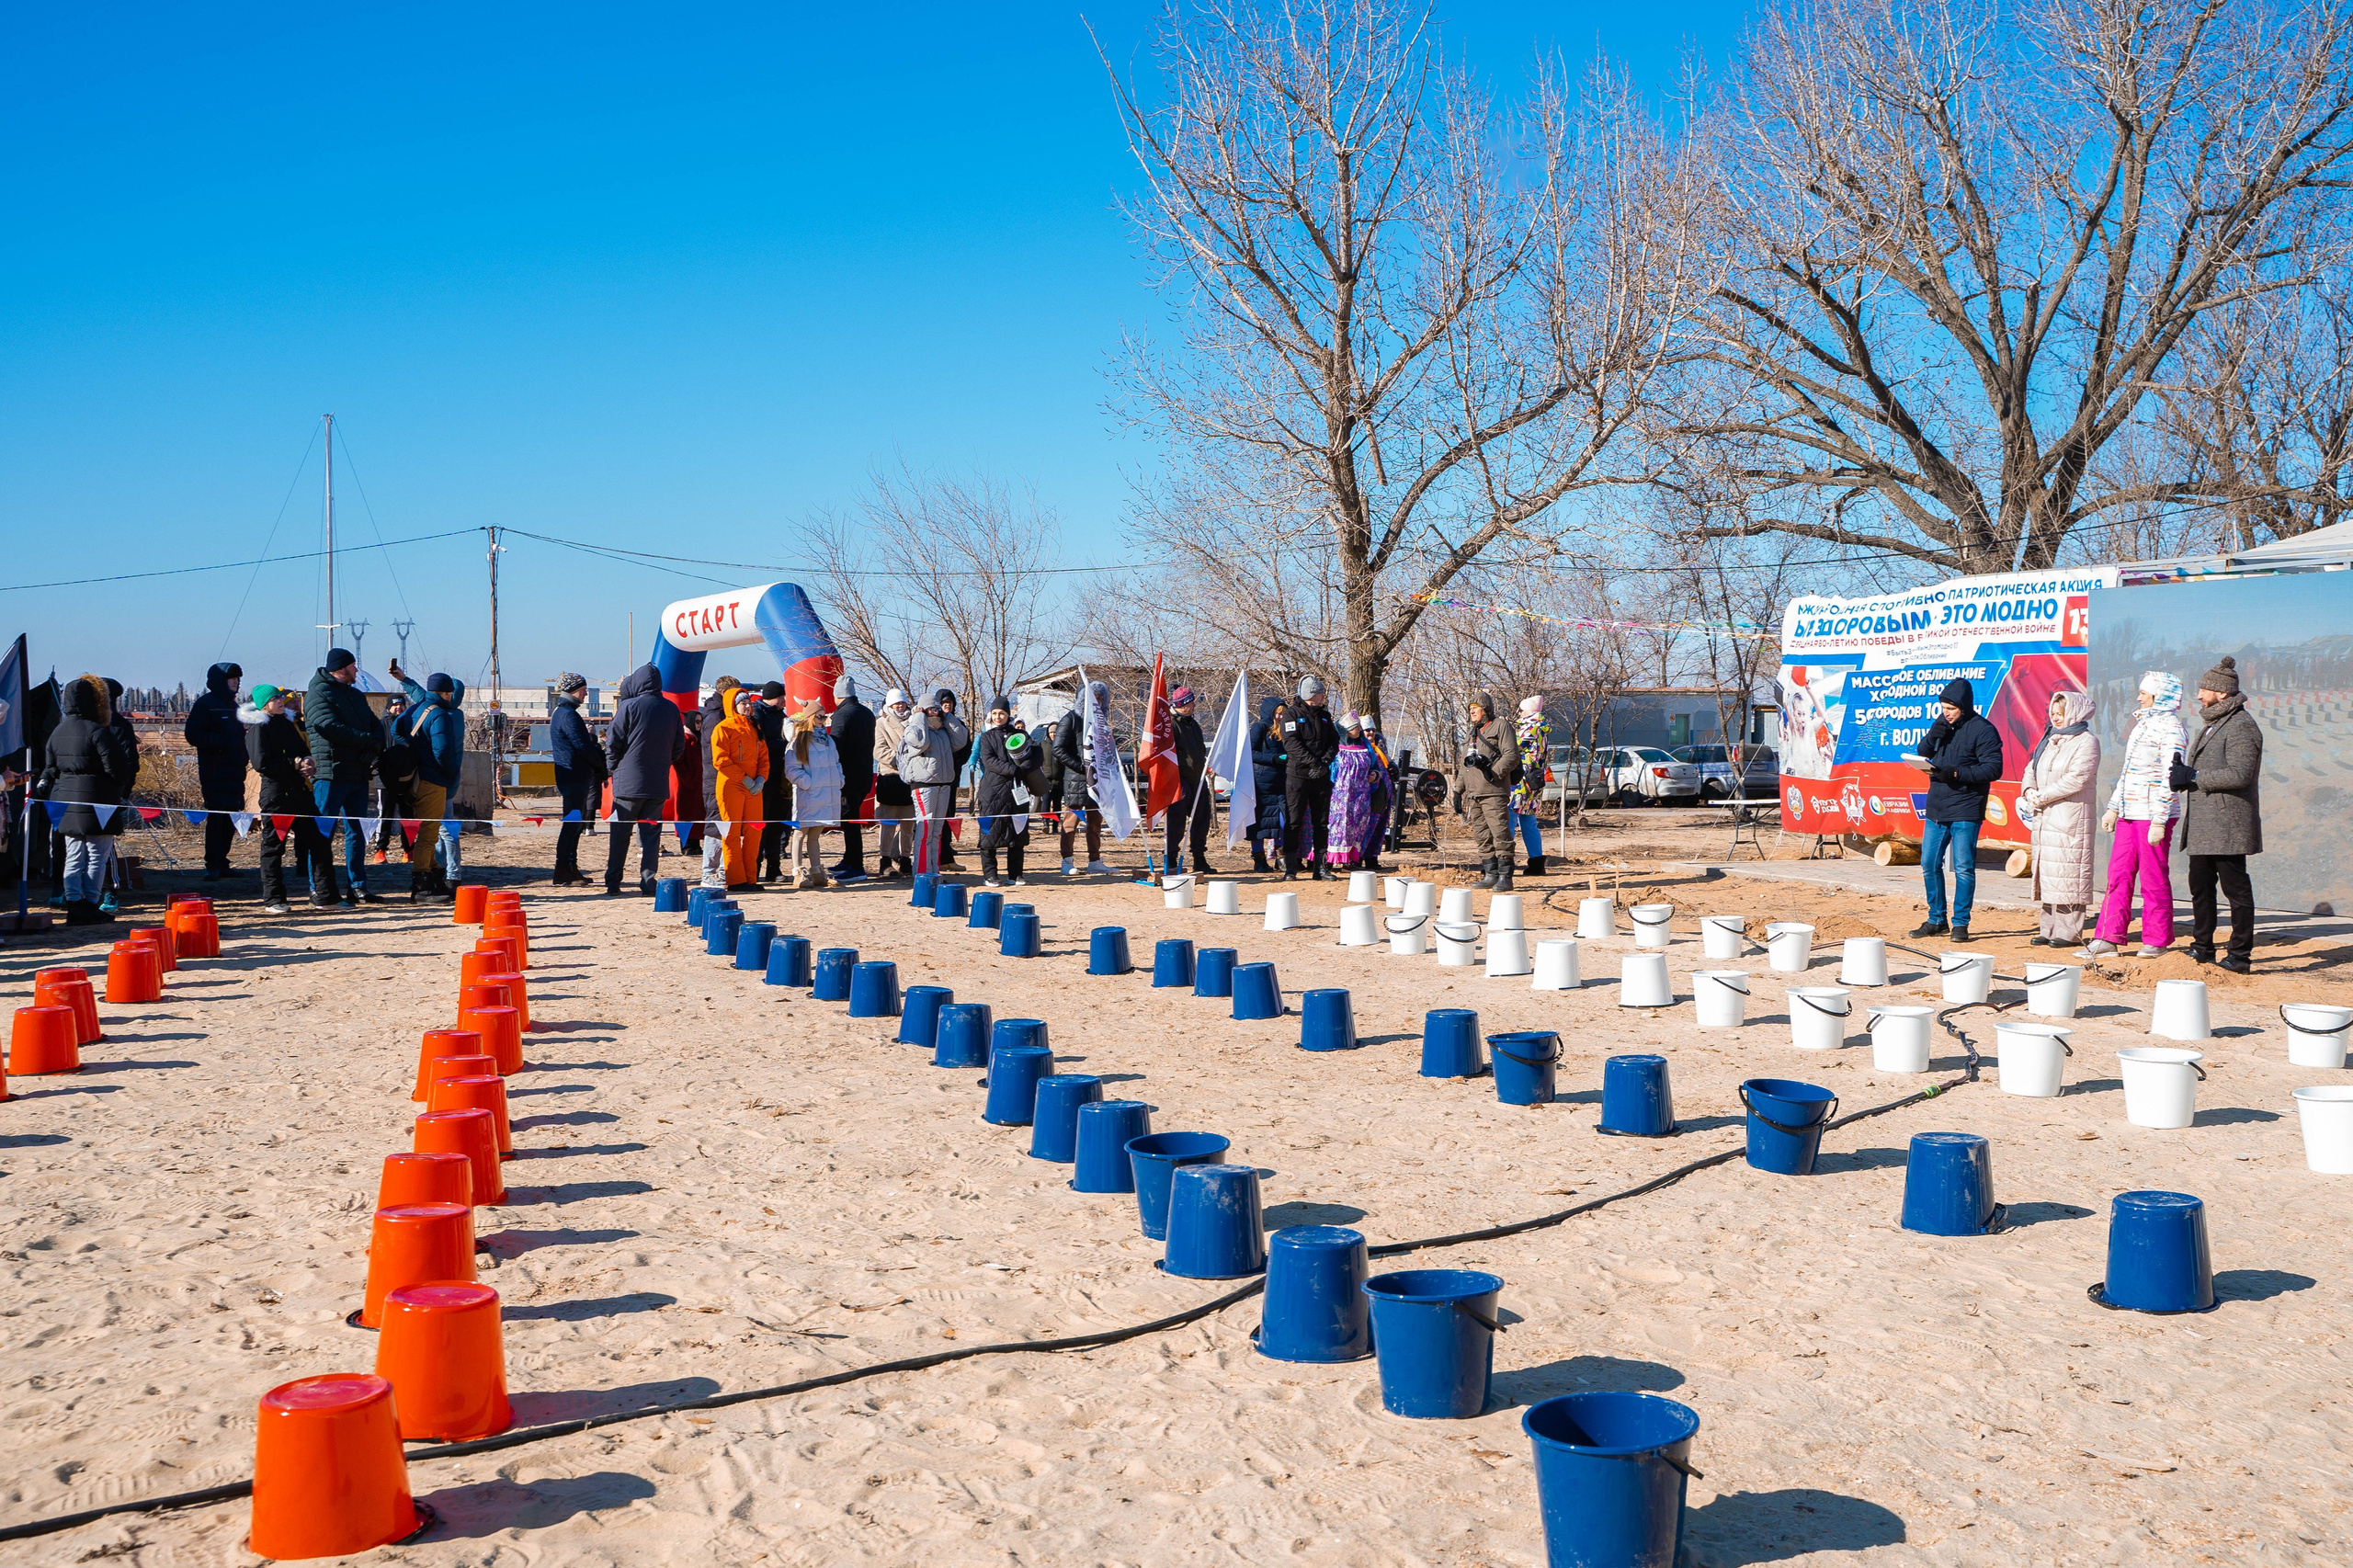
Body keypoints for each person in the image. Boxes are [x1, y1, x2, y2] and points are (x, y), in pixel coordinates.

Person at [2173, 655, 2264, 972]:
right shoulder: (2213, 725)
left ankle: (2240, 956)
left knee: (2236, 890)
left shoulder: (2241, 726)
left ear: (2222, 693)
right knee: (2200, 887)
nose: (2198, 695)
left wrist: (2195, 777)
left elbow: (2240, 774)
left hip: (2227, 824)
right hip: (2204, 823)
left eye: (2204, 689)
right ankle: (2203, 947)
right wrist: (2183, 774)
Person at [2088, 672, 2188, 957]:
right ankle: (2108, 936)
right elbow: (2129, 771)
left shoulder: (2171, 729)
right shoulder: (2142, 725)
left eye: (2144, 692)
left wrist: (2159, 819)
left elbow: (2173, 776)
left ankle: (2156, 939)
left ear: (2159, 696)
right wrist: (2113, 807)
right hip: (2129, 812)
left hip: (2152, 814)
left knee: (2153, 876)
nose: (2138, 697)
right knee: (2118, 874)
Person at [1904, 676, 2005, 942]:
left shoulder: (1983, 730)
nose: (1945, 713)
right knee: (1928, 863)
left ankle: (1961, 923)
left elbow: (1993, 769)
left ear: (1964, 706)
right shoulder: (1941, 724)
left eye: (1951, 709)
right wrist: (1932, 737)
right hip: (1937, 804)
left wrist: (1957, 773)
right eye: (1943, 707)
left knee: (1963, 867)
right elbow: (1923, 751)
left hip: (1966, 807)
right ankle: (1936, 919)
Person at [40, 674, 134, 924]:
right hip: (98, 802)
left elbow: (50, 768)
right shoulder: (97, 731)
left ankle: (73, 903)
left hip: (67, 804)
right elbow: (118, 769)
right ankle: (91, 904)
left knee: (73, 856)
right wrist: (117, 788)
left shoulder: (58, 732)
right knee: (96, 856)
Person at [241, 683, 333, 915]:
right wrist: (293, 763)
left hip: (300, 792)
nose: (280, 701)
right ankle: (273, 899)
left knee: (319, 842)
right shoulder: (259, 728)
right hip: (276, 795)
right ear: (264, 705)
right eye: (275, 699)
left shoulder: (287, 723)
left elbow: (301, 749)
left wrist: (307, 761)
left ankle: (325, 895)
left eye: (281, 697)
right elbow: (261, 763)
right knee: (274, 847)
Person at [2018, 689, 2099, 946]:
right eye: (2053, 713)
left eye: (2061, 714)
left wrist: (2042, 796)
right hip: (2045, 817)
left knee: (2069, 874)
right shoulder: (2049, 739)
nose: (2056, 719)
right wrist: (2029, 790)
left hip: (2070, 818)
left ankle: (2069, 933)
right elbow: (2031, 768)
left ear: (2074, 713)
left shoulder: (2086, 741)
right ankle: (2048, 930)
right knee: (2049, 874)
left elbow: (2077, 778)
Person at [305, 649, 382, 903]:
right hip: (330, 773)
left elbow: (375, 726)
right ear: (340, 668)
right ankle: (319, 887)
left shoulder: (355, 695)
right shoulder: (318, 693)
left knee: (356, 831)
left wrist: (374, 746)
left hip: (357, 773)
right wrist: (366, 742)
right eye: (352, 666)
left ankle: (357, 886)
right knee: (322, 832)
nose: (356, 671)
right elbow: (326, 725)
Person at [603, 662, 686, 894]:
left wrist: (612, 767)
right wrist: (663, 762)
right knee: (651, 839)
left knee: (620, 836)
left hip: (628, 784)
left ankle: (613, 882)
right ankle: (648, 882)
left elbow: (613, 741)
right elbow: (679, 747)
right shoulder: (671, 709)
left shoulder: (628, 706)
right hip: (658, 783)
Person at [392, 664, 466, 903]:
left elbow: (395, 729)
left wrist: (413, 749)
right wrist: (449, 773)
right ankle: (421, 886)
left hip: (414, 779)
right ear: (447, 693)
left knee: (429, 831)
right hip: (433, 780)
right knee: (428, 834)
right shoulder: (441, 714)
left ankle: (434, 879)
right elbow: (443, 750)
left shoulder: (417, 708)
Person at [182, 661, 247, 881]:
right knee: (217, 817)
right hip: (215, 771)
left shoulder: (234, 706)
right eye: (232, 679)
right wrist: (222, 742)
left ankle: (223, 861)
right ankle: (212, 863)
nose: (236, 683)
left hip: (236, 771)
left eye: (238, 679)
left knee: (231, 816)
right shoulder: (206, 704)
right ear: (221, 681)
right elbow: (193, 734)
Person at [973, 696, 1041, 886]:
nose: (998, 717)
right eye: (994, 713)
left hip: (1017, 790)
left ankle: (1016, 874)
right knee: (990, 832)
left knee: (1017, 832)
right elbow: (989, 761)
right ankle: (990, 875)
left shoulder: (1020, 735)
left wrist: (1026, 769)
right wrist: (1014, 770)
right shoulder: (987, 737)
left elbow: (1037, 754)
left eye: (1001, 713)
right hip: (993, 791)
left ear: (1008, 715)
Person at [1458, 690, 1518, 891]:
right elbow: (1463, 764)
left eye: (1475, 709)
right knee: (1481, 835)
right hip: (1474, 793)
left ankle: (1505, 876)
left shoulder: (1501, 726)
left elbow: (1511, 755)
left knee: (1500, 832)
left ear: (1485, 709)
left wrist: (1494, 772)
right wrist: (1458, 791)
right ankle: (1490, 873)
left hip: (1493, 791)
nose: (1471, 712)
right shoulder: (1472, 732)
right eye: (1469, 710)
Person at [549, 672, 605, 886]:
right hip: (574, 776)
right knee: (572, 825)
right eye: (583, 690)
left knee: (575, 824)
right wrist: (599, 761)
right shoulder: (568, 715)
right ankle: (564, 868)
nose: (585, 695)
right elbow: (582, 746)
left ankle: (570, 868)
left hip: (571, 775)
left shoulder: (561, 713)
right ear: (574, 690)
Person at [711, 686, 769, 891]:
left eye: (749, 703)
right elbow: (721, 760)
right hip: (731, 785)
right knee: (732, 833)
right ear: (733, 706)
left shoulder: (756, 728)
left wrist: (761, 779)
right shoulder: (723, 728)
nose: (747, 706)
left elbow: (764, 757)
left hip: (754, 786)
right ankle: (736, 880)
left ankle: (751, 878)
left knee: (755, 831)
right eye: (743, 703)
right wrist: (744, 779)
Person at [899, 688, 961, 877]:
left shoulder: (943, 729)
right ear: (923, 709)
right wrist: (918, 717)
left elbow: (960, 740)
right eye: (932, 708)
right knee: (924, 831)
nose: (936, 711)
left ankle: (934, 871)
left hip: (943, 783)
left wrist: (947, 717)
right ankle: (922, 874)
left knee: (936, 832)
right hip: (923, 785)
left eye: (938, 708)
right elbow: (919, 742)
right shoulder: (913, 727)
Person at [779, 699, 841, 888]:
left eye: (824, 716)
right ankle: (798, 871)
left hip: (827, 793)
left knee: (815, 833)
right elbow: (792, 769)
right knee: (800, 832)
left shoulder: (828, 740)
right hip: (809, 793)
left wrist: (839, 780)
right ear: (810, 718)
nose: (823, 720)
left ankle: (817, 870)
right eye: (819, 716)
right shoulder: (799, 740)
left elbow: (836, 763)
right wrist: (809, 783)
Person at [1052, 687, 1110, 873]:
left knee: (1095, 823)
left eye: (1100, 699)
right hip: (1075, 780)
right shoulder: (1070, 719)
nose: (1096, 702)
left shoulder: (1102, 722)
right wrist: (1081, 767)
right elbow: (1058, 749)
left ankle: (1094, 860)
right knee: (1071, 821)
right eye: (1093, 698)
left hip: (1097, 780)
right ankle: (1067, 861)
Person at [695, 675, 745, 891]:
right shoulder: (715, 717)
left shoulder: (724, 714)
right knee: (716, 823)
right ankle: (710, 872)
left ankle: (725, 869)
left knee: (730, 825)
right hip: (717, 778)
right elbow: (717, 753)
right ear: (726, 694)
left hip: (730, 778)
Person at [1163, 686, 1216, 874]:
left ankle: (1199, 858)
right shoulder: (1169, 724)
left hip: (1197, 778)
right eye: (1191, 702)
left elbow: (1199, 749)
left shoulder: (1193, 724)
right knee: (1176, 820)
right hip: (1179, 779)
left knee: (1202, 818)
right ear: (1182, 705)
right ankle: (1171, 859)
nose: (1194, 705)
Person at [827, 674, 875, 881]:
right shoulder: (867, 713)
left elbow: (835, 742)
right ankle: (849, 859)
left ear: (838, 696)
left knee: (850, 820)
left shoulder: (843, 714)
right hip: (864, 774)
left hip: (848, 776)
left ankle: (856, 865)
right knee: (850, 819)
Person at [1326, 713, 1384, 869]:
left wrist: (1375, 775)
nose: (1359, 730)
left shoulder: (1365, 746)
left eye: (1359, 726)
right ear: (1346, 730)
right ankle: (1329, 861)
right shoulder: (1335, 746)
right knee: (1338, 826)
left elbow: (1375, 767)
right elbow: (1328, 769)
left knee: (1358, 825)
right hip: (1340, 796)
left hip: (1361, 795)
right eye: (1355, 727)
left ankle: (1351, 860)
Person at [871, 688, 915, 878]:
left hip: (911, 778)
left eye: (903, 703)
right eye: (896, 703)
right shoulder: (881, 723)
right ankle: (885, 861)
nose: (900, 706)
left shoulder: (915, 721)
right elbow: (879, 751)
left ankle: (905, 859)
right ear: (889, 705)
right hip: (890, 777)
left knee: (908, 825)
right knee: (888, 824)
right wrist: (903, 759)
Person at [754, 681, 792, 881]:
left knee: (777, 825)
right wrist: (785, 743)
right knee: (762, 824)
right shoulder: (757, 713)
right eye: (781, 697)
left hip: (780, 778)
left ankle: (774, 869)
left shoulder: (782, 716)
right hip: (764, 778)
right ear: (772, 697)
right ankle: (755, 867)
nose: (784, 701)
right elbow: (762, 742)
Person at [1510, 695, 1551, 878]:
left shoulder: (1531, 727)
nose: (1519, 712)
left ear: (1528, 711)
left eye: (1521, 709)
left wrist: (1505, 729)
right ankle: (1536, 863)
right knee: (1528, 821)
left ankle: (1505, 862)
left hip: (1521, 780)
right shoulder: (1541, 727)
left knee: (1510, 818)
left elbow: (1513, 746)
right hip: (1533, 780)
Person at [375, 693, 416, 869]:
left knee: (409, 817)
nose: (398, 708)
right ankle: (380, 850)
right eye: (395, 705)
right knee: (385, 815)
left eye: (401, 705)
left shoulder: (410, 725)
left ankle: (409, 850)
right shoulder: (380, 725)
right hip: (385, 779)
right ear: (388, 707)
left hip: (407, 778)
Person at [1247, 696, 1288, 872]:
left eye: (1282, 714)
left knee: (1282, 822)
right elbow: (1250, 752)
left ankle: (1281, 858)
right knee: (1259, 824)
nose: (1280, 717)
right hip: (1261, 784)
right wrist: (1273, 758)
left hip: (1281, 782)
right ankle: (1259, 860)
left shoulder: (1286, 730)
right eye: (1277, 713)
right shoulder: (1259, 727)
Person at [938, 691, 972, 870]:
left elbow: (966, 746)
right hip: (933, 779)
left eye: (950, 703)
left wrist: (957, 762)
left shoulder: (958, 724)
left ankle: (947, 854)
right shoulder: (934, 723)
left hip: (952, 777)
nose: (947, 705)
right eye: (944, 702)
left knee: (948, 815)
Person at [1358, 721, 1395, 871]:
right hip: (1368, 794)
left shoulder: (1380, 748)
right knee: (1366, 826)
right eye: (1367, 730)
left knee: (1380, 826)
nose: (1371, 733)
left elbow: (1386, 765)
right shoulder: (1360, 748)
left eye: (1373, 730)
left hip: (1384, 793)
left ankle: (1372, 856)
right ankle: (1358, 856)